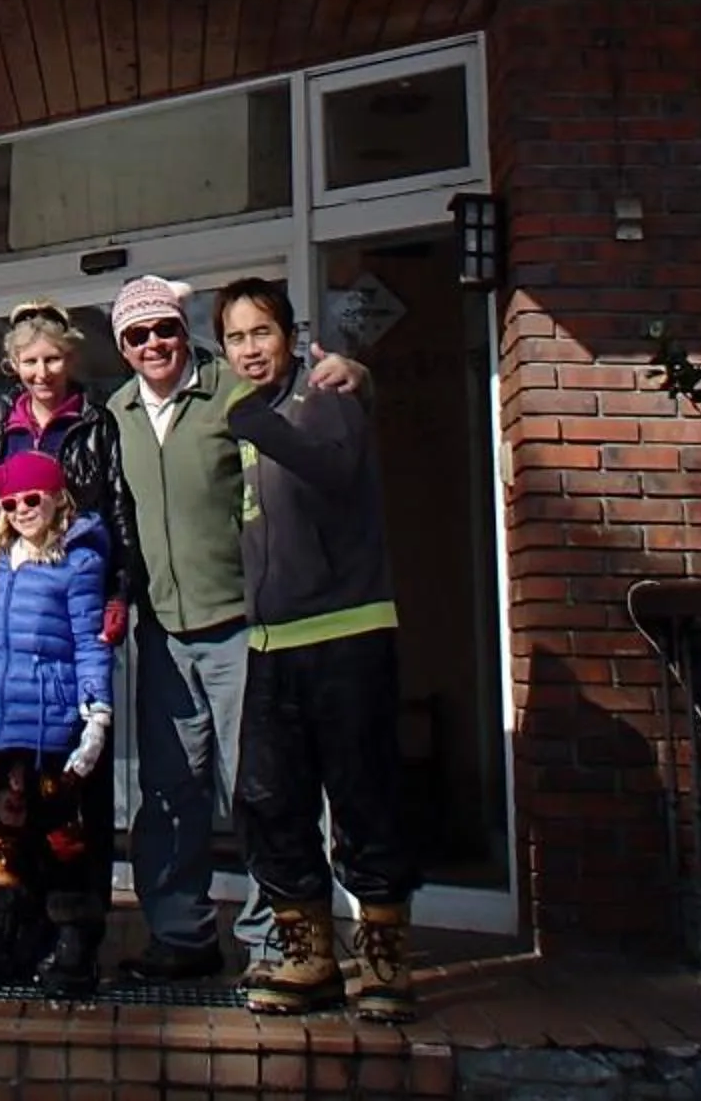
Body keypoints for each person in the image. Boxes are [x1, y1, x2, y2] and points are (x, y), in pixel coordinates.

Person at [103, 272, 369, 984]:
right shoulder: (117, 411)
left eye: (164, 329)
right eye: (137, 335)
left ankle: (277, 939)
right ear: (122, 348)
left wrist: (353, 368)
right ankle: (180, 935)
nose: (154, 344)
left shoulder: (231, 388)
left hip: (240, 625)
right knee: (169, 793)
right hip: (162, 633)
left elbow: (311, 404)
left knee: (261, 789)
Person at [217, 276, 418, 1020]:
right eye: (235, 338)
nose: (249, 350)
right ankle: (308, 953)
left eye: (260, 333)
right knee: (271, 800)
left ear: (291, 334)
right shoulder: (252, 409)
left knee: (365, 796)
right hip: (272, 640)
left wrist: (354, 379)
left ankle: (386, 958)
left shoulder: (325, 392)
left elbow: (334, 468)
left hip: (348, 630)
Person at [0, 450, 116, 999]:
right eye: (11, 502)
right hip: (2, 722)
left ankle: (74, 943)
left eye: (33, 499)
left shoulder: (76, 561)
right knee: (7, 834)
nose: (23, 510)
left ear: (55, 498)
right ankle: (1, 936)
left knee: (62, 835)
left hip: (52, 721)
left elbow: (91, 641)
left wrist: (96, 714)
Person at [0, 301, 137, 647]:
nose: (41, 373)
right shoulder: (0, 429)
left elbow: (117, 506)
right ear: (14, 365)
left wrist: (118, 589)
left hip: (76, 582)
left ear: (71, 359)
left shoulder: (96, 423)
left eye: (52, 359)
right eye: (30, 361)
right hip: (17, 585)